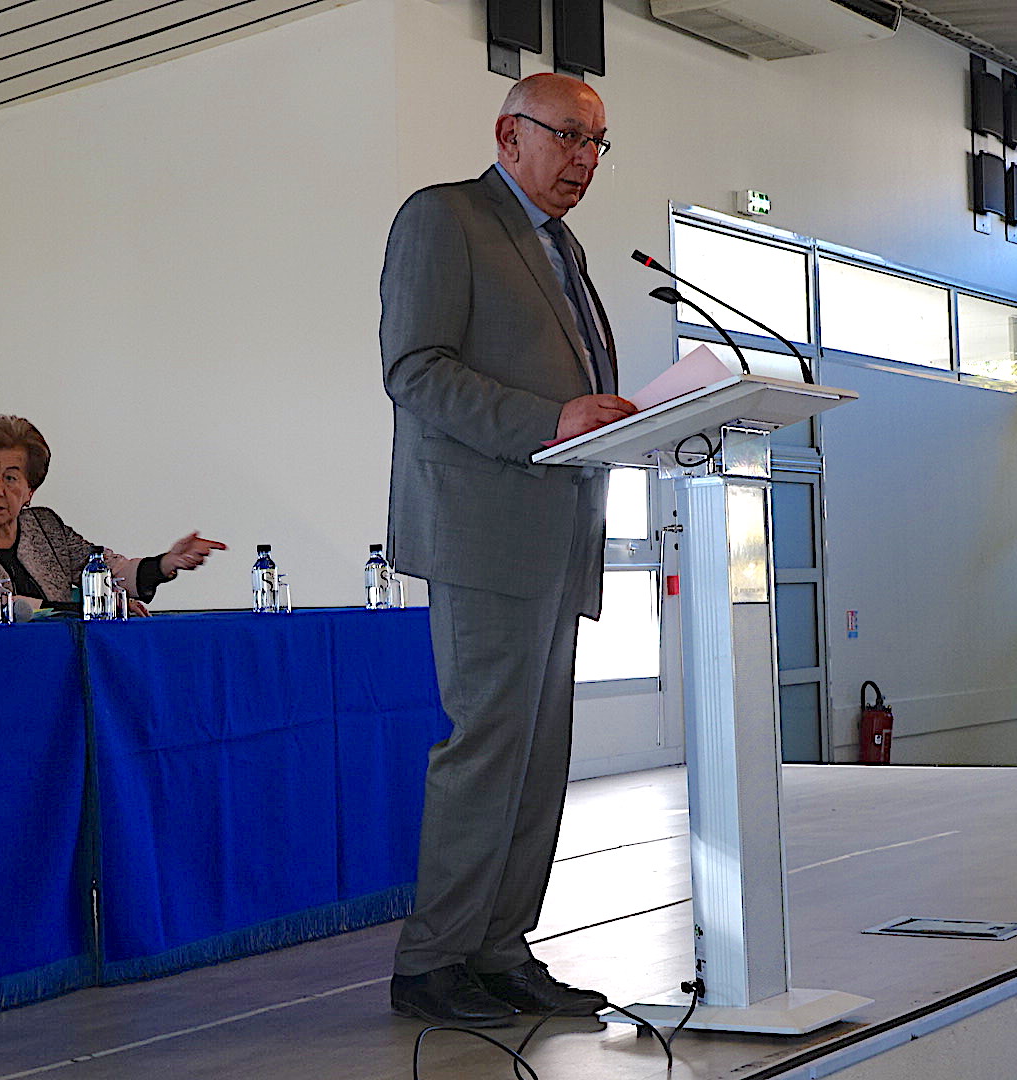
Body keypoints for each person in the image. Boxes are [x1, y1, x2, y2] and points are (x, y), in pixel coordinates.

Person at [379, 73, 639, 1027]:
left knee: (538, 756)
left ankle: (499, 947)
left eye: (598, 145)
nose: (584, 160)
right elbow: (414, 369)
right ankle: (433, 961)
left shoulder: (560, 245)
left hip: (559, 531)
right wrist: (550, 418)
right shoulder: (445, 220)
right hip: (485, 529)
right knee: (486, 748)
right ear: (508, 132)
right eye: (570, 136)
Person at [0, 415, 224, 615]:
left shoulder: (44, 525)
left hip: (59, 658)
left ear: (30, 491)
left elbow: (106, 569)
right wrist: (98, 609)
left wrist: (165, 563)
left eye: (11, 478)